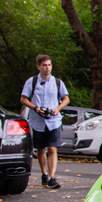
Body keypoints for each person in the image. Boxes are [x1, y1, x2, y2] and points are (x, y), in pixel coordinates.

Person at [20, 54, 70, 189]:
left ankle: (52, 178)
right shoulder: (32, 81)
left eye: (49, 65)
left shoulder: (58, 82)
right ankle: (44, 174)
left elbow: (66, 98)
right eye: (44, 65)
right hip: (37, 121)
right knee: (41, 149)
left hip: (54, 121)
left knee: (53, 148)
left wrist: (58, 109)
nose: (47, 68)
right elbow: (23, 99)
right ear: (38, 67)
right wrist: (35, 108)